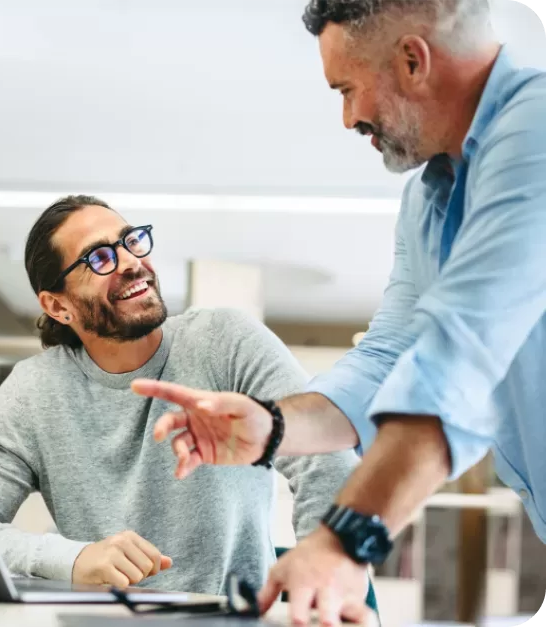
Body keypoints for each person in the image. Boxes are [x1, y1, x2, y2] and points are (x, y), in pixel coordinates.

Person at [131, 0, 546, 623]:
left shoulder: (536, 131)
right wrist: (273, 426)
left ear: (413, 60)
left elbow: (456, 357)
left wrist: (344, 541)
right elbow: (386, 359)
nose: (351, 117)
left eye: (348, 90)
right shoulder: (427, 201)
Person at [0, 194, 358, 597]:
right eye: (99, 258)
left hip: (230, 619)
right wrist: (72, 559)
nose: (132, 262)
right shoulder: (32, 392)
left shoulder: (226, 341)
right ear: (58, 305)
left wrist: (322, 577)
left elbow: (326, 457)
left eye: (130, 241)